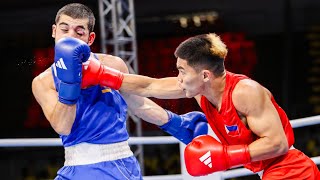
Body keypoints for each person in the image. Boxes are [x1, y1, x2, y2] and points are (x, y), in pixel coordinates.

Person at [83, 33, 320, 179]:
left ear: (205, 75)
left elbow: (277, 143)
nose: (178, 77)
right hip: (269, 173)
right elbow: (149, 86)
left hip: (291, 171)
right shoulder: (198, 90)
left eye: (182, 71)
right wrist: (103, 75)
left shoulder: (245, 92)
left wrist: (225, 157)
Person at [31, 3, 208, 180]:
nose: (70, 36)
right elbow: (63, 127)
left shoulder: (111, 65)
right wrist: (70, 82)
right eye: (64, 30)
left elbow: (138, 102)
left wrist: (174, 123)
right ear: (54, 31)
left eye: (79, 32)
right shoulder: (43, 82)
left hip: (116, 165)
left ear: (90, 39)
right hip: (73, 168)